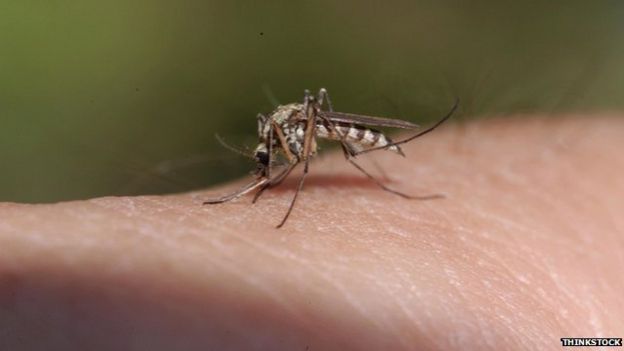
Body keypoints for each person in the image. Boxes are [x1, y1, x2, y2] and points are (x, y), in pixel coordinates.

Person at [1, 116, 622, 350]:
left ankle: (371, 170)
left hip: (342, 130)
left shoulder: (293, 136)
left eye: (265, 167)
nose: (268, 163)